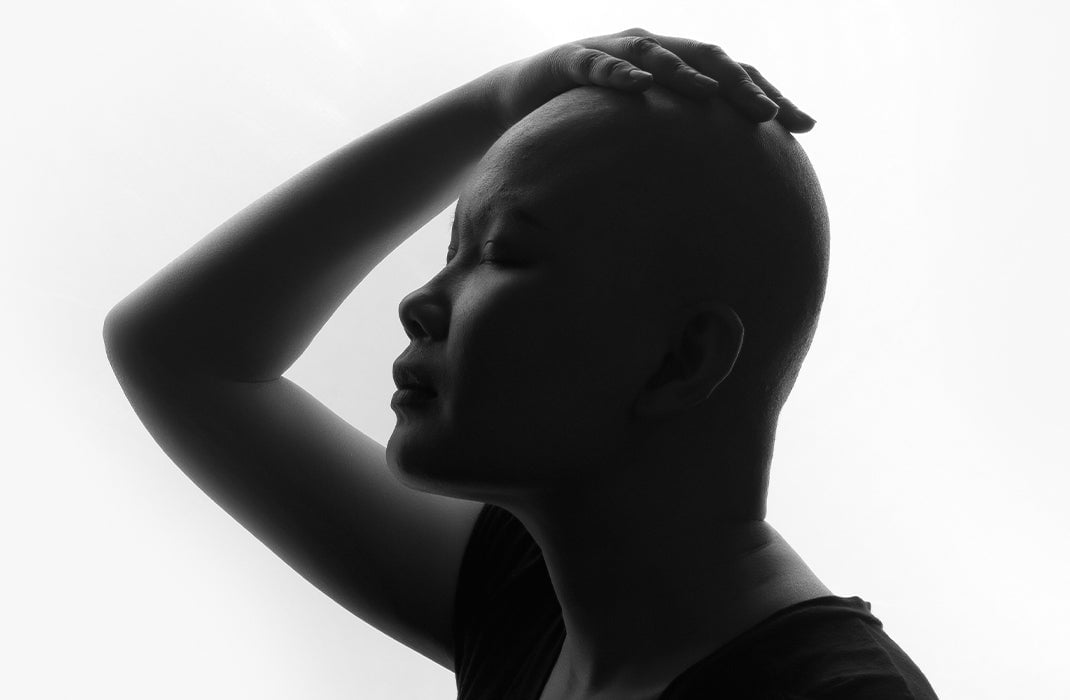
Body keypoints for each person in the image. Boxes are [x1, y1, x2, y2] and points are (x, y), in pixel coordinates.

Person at [104, 28, 938, 699]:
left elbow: (187, 356)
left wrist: (494, 112)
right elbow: (179, 350)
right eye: (452, 250)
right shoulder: (540, 602)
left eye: (502, 253)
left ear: (683, 358)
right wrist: (496, 102)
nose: (420, 302)